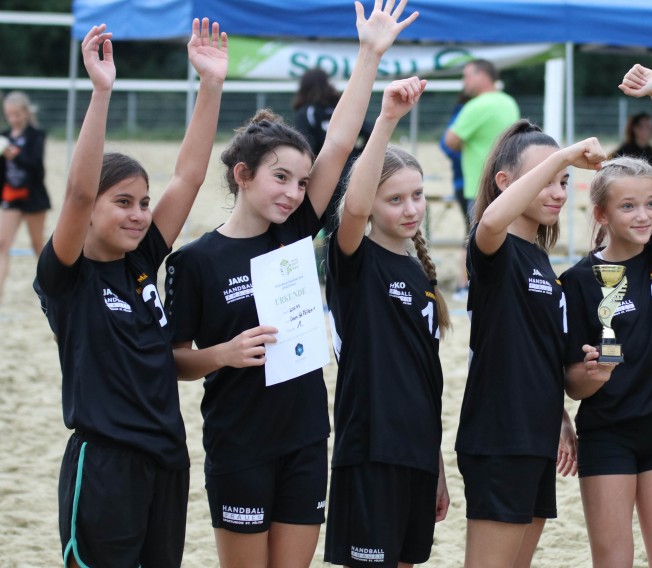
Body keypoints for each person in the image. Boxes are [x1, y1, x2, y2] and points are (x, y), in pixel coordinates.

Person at [164, 3, 416, 567]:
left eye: (302, 182)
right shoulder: (194, 261)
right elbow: (177, 360)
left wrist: (370, 54)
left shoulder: (300, 232)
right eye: (281, 178)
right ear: (243, 175)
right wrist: (224, 354)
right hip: (238, 442)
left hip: (305, 436)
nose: (294, 192)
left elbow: (339, 144)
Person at [33, 20, 227, 568]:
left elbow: (188, 177)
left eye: (144, 202)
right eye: (123, 201)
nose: (140, 214)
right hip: (106, 467)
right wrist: (101, 93)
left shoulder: (141, 264)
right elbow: (73, 192)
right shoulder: (67, 276)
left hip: (167, 460)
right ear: (91, 211)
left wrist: (210, 86)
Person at [560, 64, 652, 567]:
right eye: (628, 207)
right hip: (609, 433)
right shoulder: (578, 281)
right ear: (601, 215)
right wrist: (596, 371)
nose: (644, 216)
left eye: (650, 204)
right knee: (613, 561)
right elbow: (573, 384)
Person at [455, 120, 605, 567]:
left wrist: (559, 411)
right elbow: (491, 220)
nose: (558, 191)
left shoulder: (540, 259)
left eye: (563, 182)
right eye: (545, 179)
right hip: (499, 435)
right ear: (505, 183)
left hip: (535, 433)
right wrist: (563, 156)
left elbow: (533, 350)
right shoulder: (493, 246)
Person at [324, 75, 450, 567]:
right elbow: (351, 206)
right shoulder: (355, 258)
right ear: (371, 205)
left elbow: (424, 380)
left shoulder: (420, 273)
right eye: (395, 199)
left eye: (417, 196)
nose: (411, 208)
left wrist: (436, 462)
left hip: (417, 453)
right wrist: (388, 119)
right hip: (371, 450)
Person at [443, 58, 520, 299]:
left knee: (473, 236)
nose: (463, 82)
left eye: (467, 76)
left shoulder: (476, 106)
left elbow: (449, 141)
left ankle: (465, 286)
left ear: (481, 76)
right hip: (508, 184)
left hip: (478, 185)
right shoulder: (509, 102)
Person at [292, 66, 372, 236]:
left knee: (328, 231)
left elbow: (305, 148)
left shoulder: (305, 112)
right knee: (353, 231)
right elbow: (370, 132)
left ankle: (328, 261)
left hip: (325, 179)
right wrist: (357, 153)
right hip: (353, 175)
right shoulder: (342, 107)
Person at [0, 90, 51, 304]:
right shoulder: (4, 136)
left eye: (16, 114)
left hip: (33, 198)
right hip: (10, 197)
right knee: (2, 244)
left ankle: (52, 289)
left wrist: (15, 156)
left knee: (38, 246)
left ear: (25, 112)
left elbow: (37, 170)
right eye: (8, 114)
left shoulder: (36, 136)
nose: (12, 118)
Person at [440, 91, 472, 298]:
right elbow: (446, 143)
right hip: (466, 182)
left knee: (471, 231)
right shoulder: (464, 111)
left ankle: (465, 284)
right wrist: (464, 155)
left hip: (468, 182)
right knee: (471, 232)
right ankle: (463, 285)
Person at [612, 111, 652, 184]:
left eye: (651, 127)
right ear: (636, 129)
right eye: (647, 127)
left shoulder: (649, 150)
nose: (651, 130)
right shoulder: (624, 152)